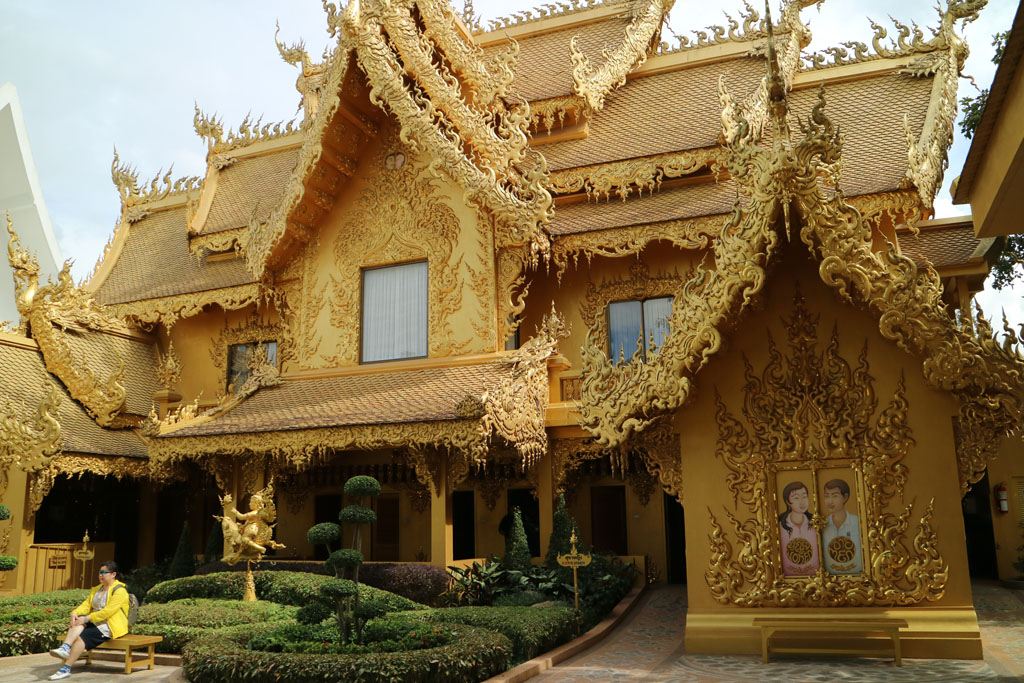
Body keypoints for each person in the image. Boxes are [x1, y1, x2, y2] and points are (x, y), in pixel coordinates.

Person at [48, 560, 129, 680]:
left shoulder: (120, 591)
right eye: (99, 572)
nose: (100, 575)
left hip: (110, 625)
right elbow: (86, 605)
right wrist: (75, 613)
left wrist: (86, 618)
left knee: (81, 638)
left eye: (104, 572)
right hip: (95, 621)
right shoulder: (97, 589)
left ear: (113, 574)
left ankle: (66, 668)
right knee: (77, 621)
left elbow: (108, 612)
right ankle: (65, 647)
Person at [821, 478, 863, 574]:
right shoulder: (822, 524)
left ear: (845, 497)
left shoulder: (857, 523)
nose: (830, 501)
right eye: (826, 496)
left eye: (835, 496)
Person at [778, 481, 819, 576]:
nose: (802, 502)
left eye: (804, 497)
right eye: (796, 498)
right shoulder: (780, 527)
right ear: (788, 501)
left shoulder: (815, 524)